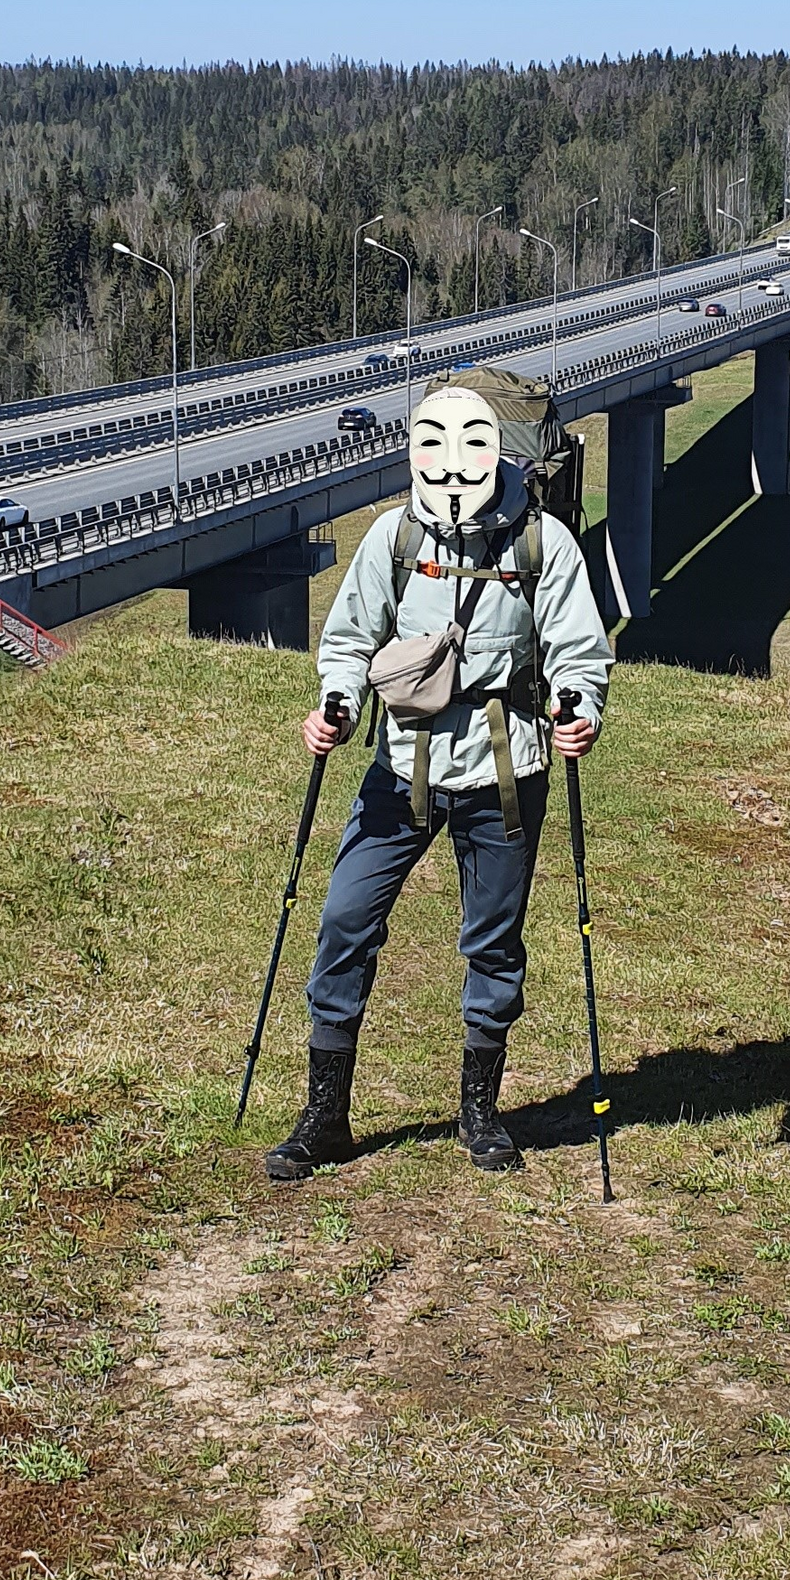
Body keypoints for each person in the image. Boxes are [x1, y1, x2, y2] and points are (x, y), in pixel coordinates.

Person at [263, 380, 611, 1182]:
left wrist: (579, 707)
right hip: (401, 765)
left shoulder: (543, 543)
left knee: (492, 943)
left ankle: (480, 1110)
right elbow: (351, 637)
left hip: (507, 769)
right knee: (345, 920)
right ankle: (325, 1116)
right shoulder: (393, 538)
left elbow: (577, 648)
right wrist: (337, 706)